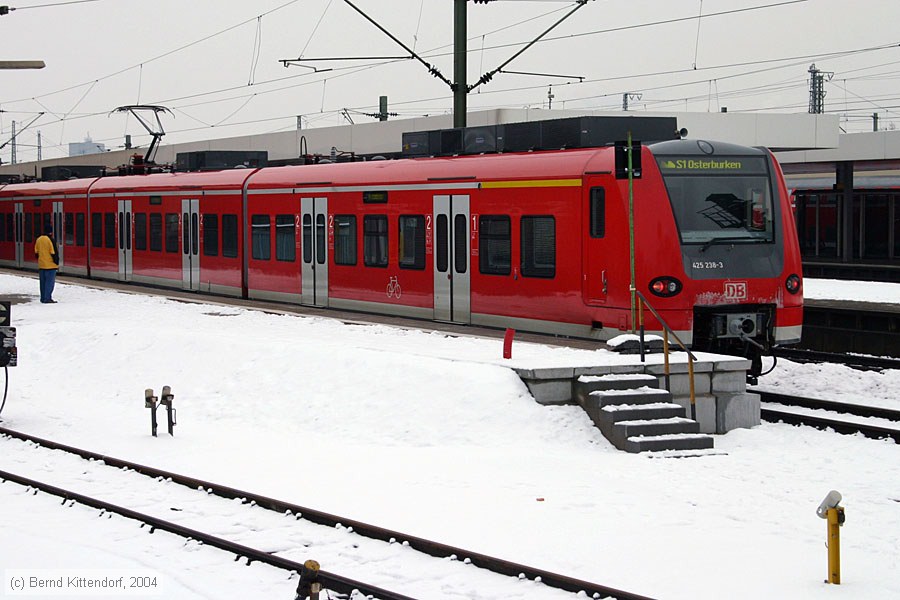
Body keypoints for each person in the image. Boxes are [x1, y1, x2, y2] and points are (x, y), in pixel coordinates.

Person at [34, 224, 59, 304]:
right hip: (50, 265)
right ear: (51, 232)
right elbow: (53, 252)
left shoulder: (39, 239)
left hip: (42, 265)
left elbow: (36, 252)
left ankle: (43, 298)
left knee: (43, 283)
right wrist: (56, 262)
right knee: (49, 283)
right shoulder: (50, 240)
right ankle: (47, 298)